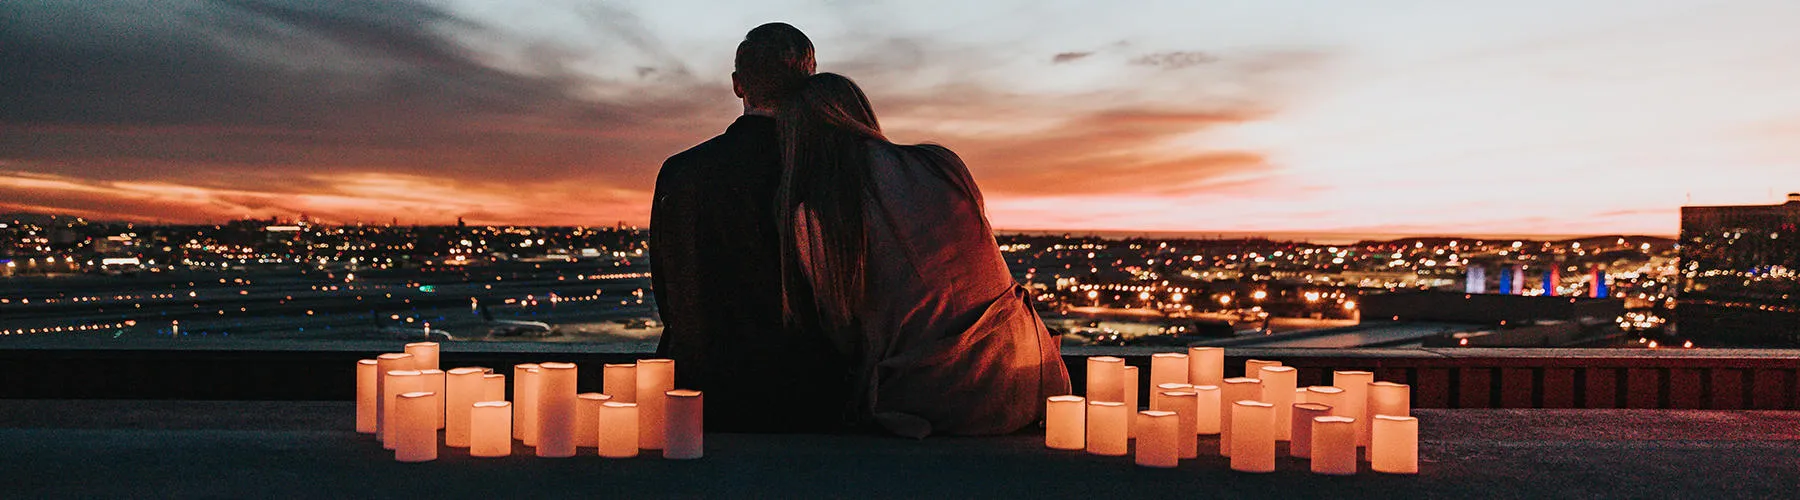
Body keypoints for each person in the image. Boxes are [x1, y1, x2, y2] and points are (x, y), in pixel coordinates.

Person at [775, 73, 1072, 438]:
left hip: (937, 402)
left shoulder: (818, 214)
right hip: (1032, 378)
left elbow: (842, 332)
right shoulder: (942, 164)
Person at [650, 23, 848, 432]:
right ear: (809, 82)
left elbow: (670, 295)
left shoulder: (680, 172)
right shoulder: (831, 171)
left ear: (738, 85)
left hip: (700, 394)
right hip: (807, 396)